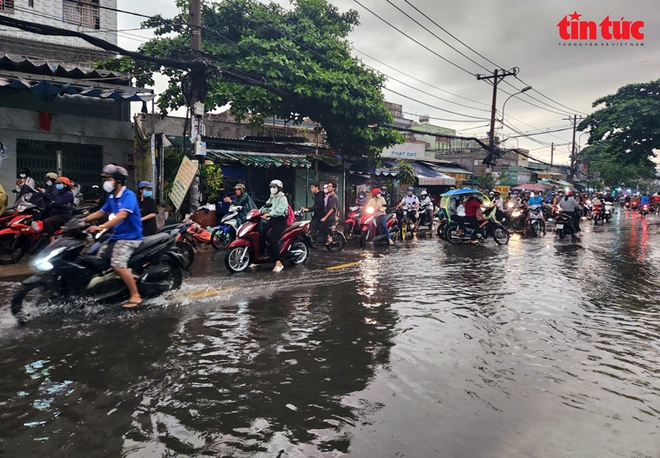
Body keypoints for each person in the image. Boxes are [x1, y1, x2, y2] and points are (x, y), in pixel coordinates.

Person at [84, 165, 144, 308]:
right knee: (97, 260)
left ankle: (135, 295)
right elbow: (101, 212)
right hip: (117, 236)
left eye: (108, 179)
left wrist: (100, 227)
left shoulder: (128, 195)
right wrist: (82, 220)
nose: (106, 182)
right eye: (105, 179)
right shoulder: (112, 197)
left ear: (118, 181)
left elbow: (122, 215)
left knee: (118, 265)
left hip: (130, 238)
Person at [259, 179, 288, 273]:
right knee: (261, 234)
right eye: (271, 187)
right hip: (272, 220)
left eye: (274, 187)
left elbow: (279, 210)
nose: (272, 189)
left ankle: (278, 262)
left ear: (279, 188)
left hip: (280, 221)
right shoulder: (272, 197)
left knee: (273, 239)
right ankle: (260, 256)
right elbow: (266, 206)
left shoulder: (282, 198)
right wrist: (258, 211)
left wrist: (269, 214)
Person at [42, 177, 74, 242]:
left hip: (63, 215)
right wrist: (54, 203)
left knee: (46, 222)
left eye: (59, 183)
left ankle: (52, 239)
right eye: (57, 184)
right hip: (55, 214)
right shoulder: (59, 193)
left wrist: (54, 203)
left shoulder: (68, 194)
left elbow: (58, 203)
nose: (57, 185)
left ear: (65, 185)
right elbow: (51, 203)